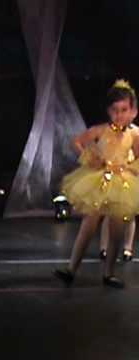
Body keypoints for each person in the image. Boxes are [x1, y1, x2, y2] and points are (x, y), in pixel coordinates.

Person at [54, 79, 139, 288]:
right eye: (115, 110)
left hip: (121, 183)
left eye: (124, 110)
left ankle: (108, 273)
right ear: (109, 111)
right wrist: (89, 157)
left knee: (117, 229)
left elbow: (137, 157)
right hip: (100, 180)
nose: (119, 115)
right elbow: (77, 141)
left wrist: (129, 167)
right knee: (89, 225)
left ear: (133, 111)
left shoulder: (134, 133)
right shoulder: (101, 130)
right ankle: (71, 269)